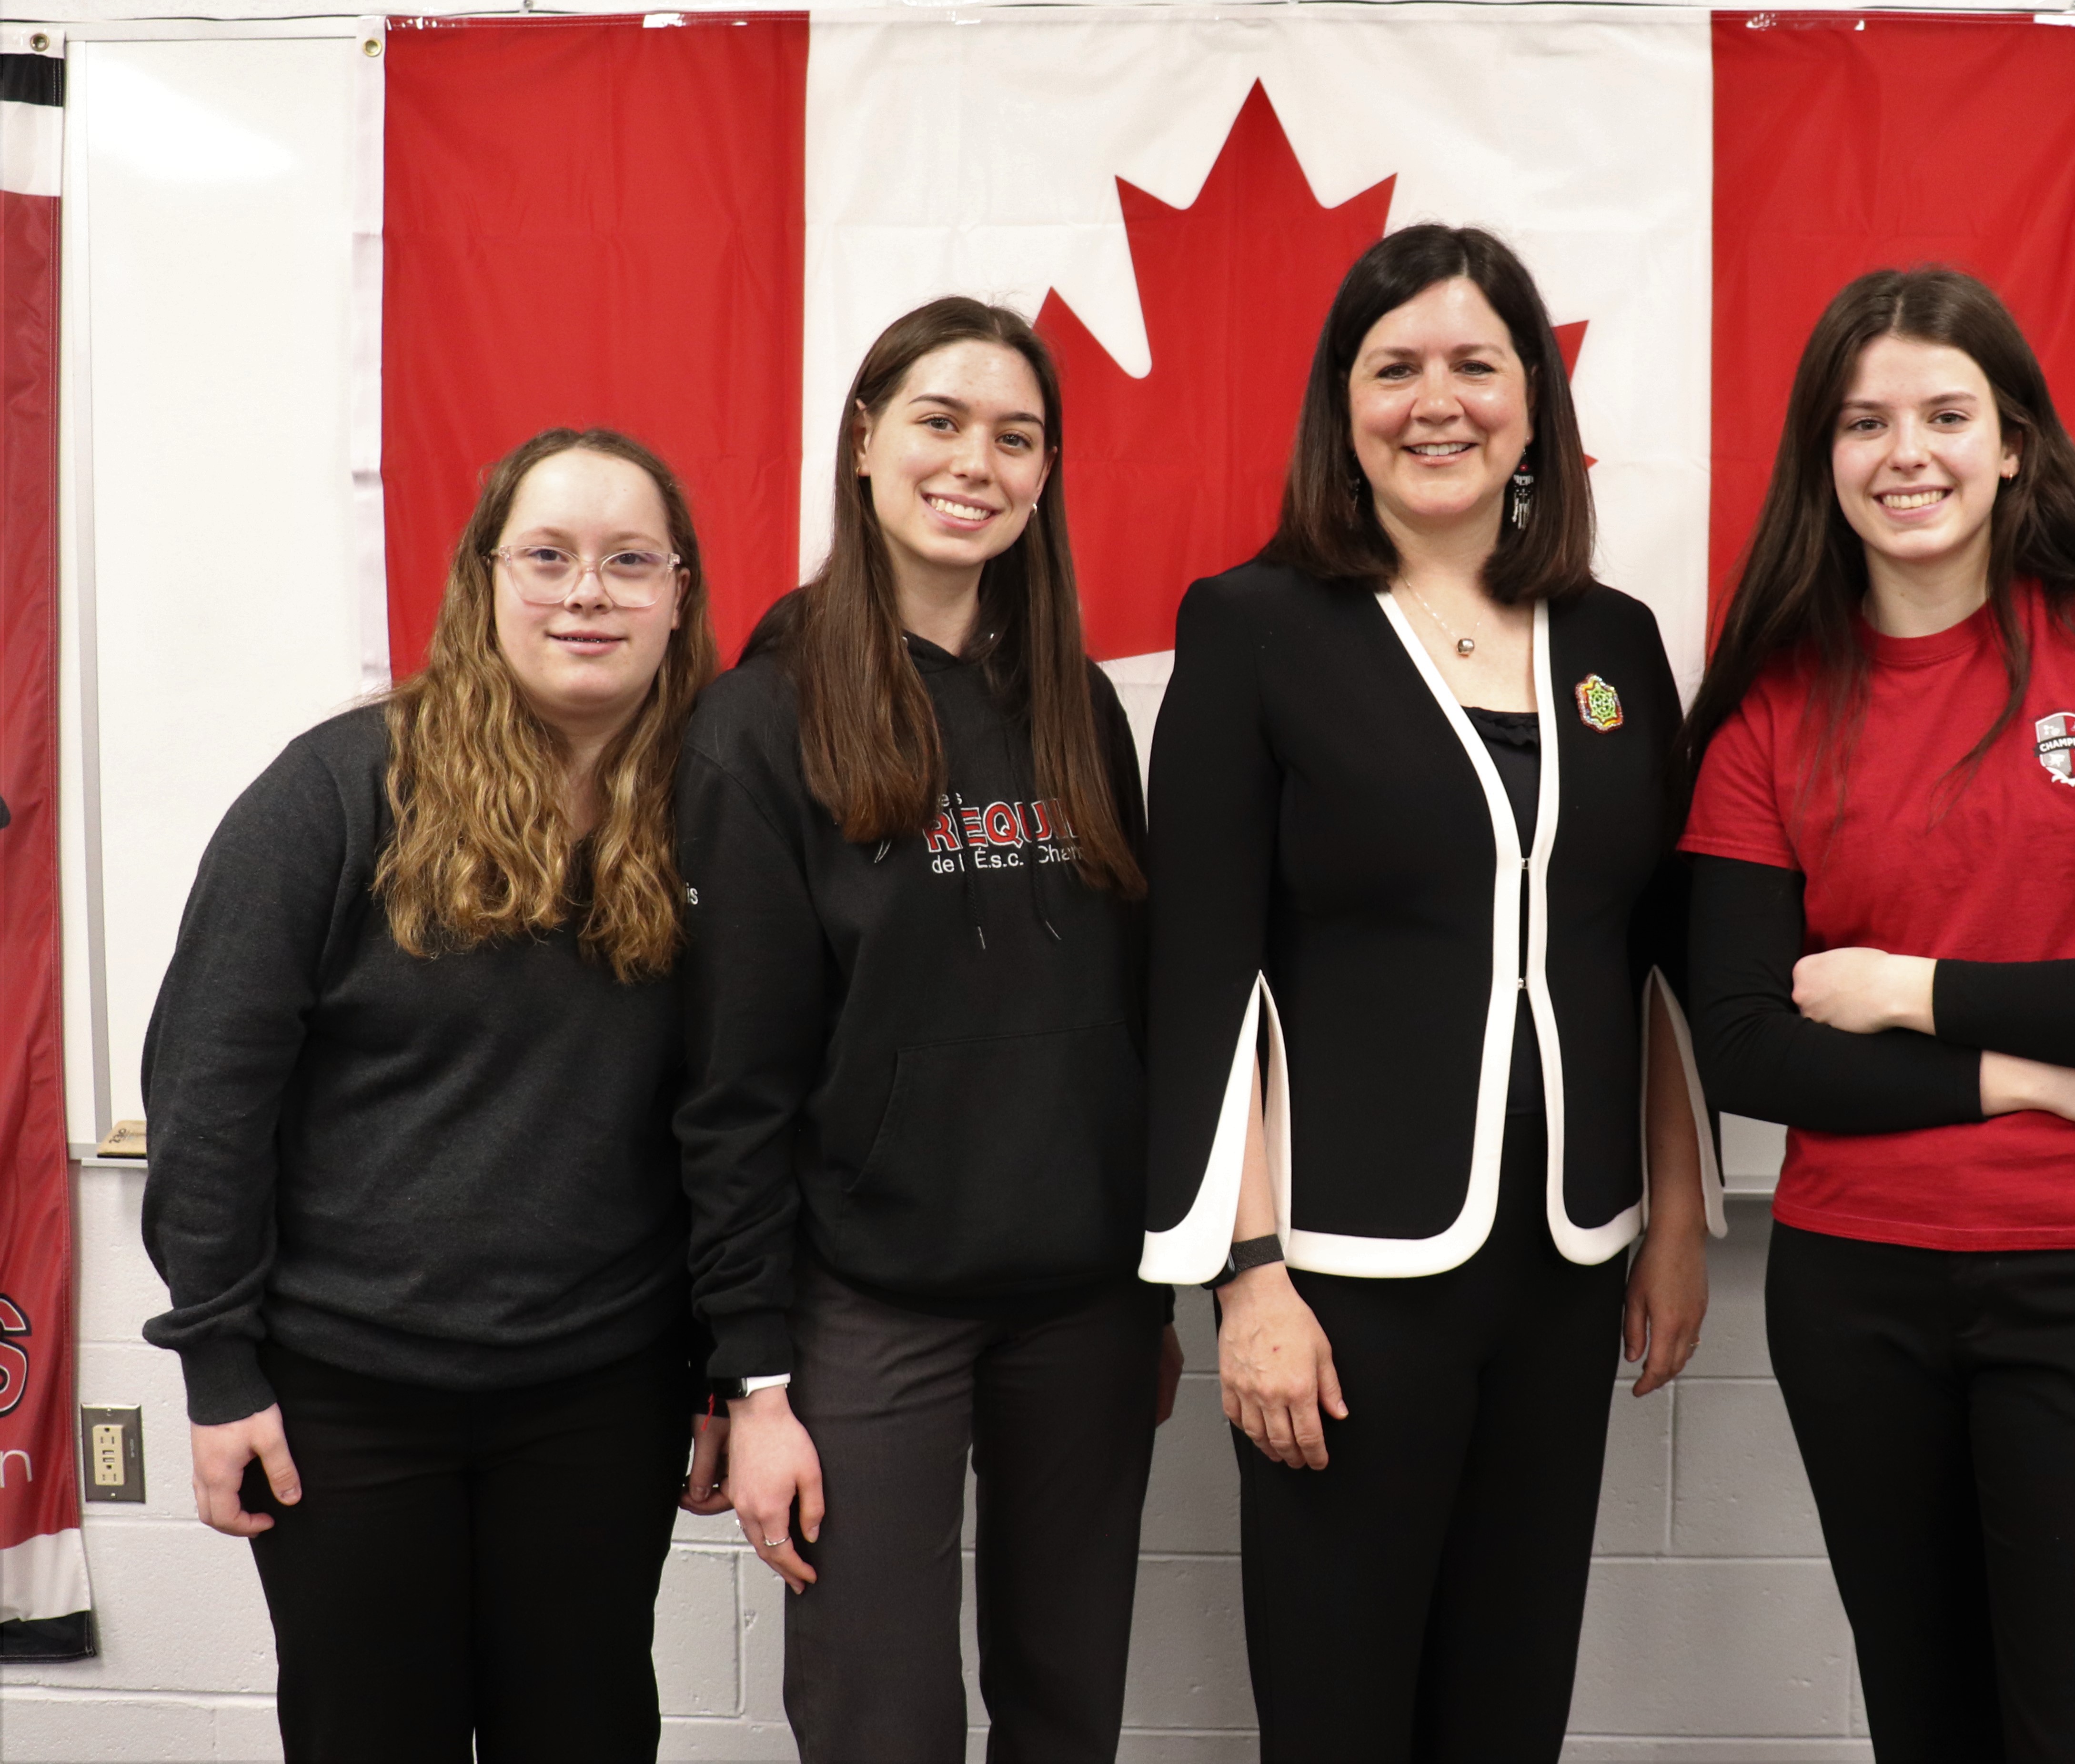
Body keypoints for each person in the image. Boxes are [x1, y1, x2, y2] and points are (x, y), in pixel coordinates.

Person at [1141, 222, 1717, 1763]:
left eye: (1476, 363)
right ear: (1345, 405)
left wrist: (1672, 1221)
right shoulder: (1254, 627)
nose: (1437, 399)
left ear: (1536, 401)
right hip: (1341, 1285)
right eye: (1395, 367)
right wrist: (1247, 1280)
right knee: (1340, 1719)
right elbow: (1203, 979)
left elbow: (1641, 952)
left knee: (1508, 1710)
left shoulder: (1614, 643)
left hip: (1567, 1265)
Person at [1679, 266, 2075, 1763]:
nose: (1908, 454)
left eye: (1949, 414)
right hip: (1856, 1289)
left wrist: (1900, 990)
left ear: (2016, 443)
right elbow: (1748, 1047)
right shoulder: (1769, 704)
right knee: (1925, 1727)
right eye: (1866, 422)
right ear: (1824, 454)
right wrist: (2034, 1078)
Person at [141, 428, 721, 1762]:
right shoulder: (337, 794)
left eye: (631, 562)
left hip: (599, 1396)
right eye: (551, 557)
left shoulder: (716, 808)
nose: (589, 593)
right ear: (484, 581)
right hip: (347, 1401)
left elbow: (726, 1121)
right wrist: (219, 1370)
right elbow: (208, 1090)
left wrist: (714, 1368)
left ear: (679, 592)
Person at [675, 296, 1174, 1763]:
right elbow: (733, 1084)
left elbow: (1133, 1021)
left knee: (1067, 1704)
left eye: (1017, 438)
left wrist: (1147, 1296)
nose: (978, 463)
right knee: (881, 1717)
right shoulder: (759, 726)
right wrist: (751, 1379)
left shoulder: (1081, 707)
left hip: (1083, 1303)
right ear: (866, 440)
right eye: (943, 422)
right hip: (869, 1304)